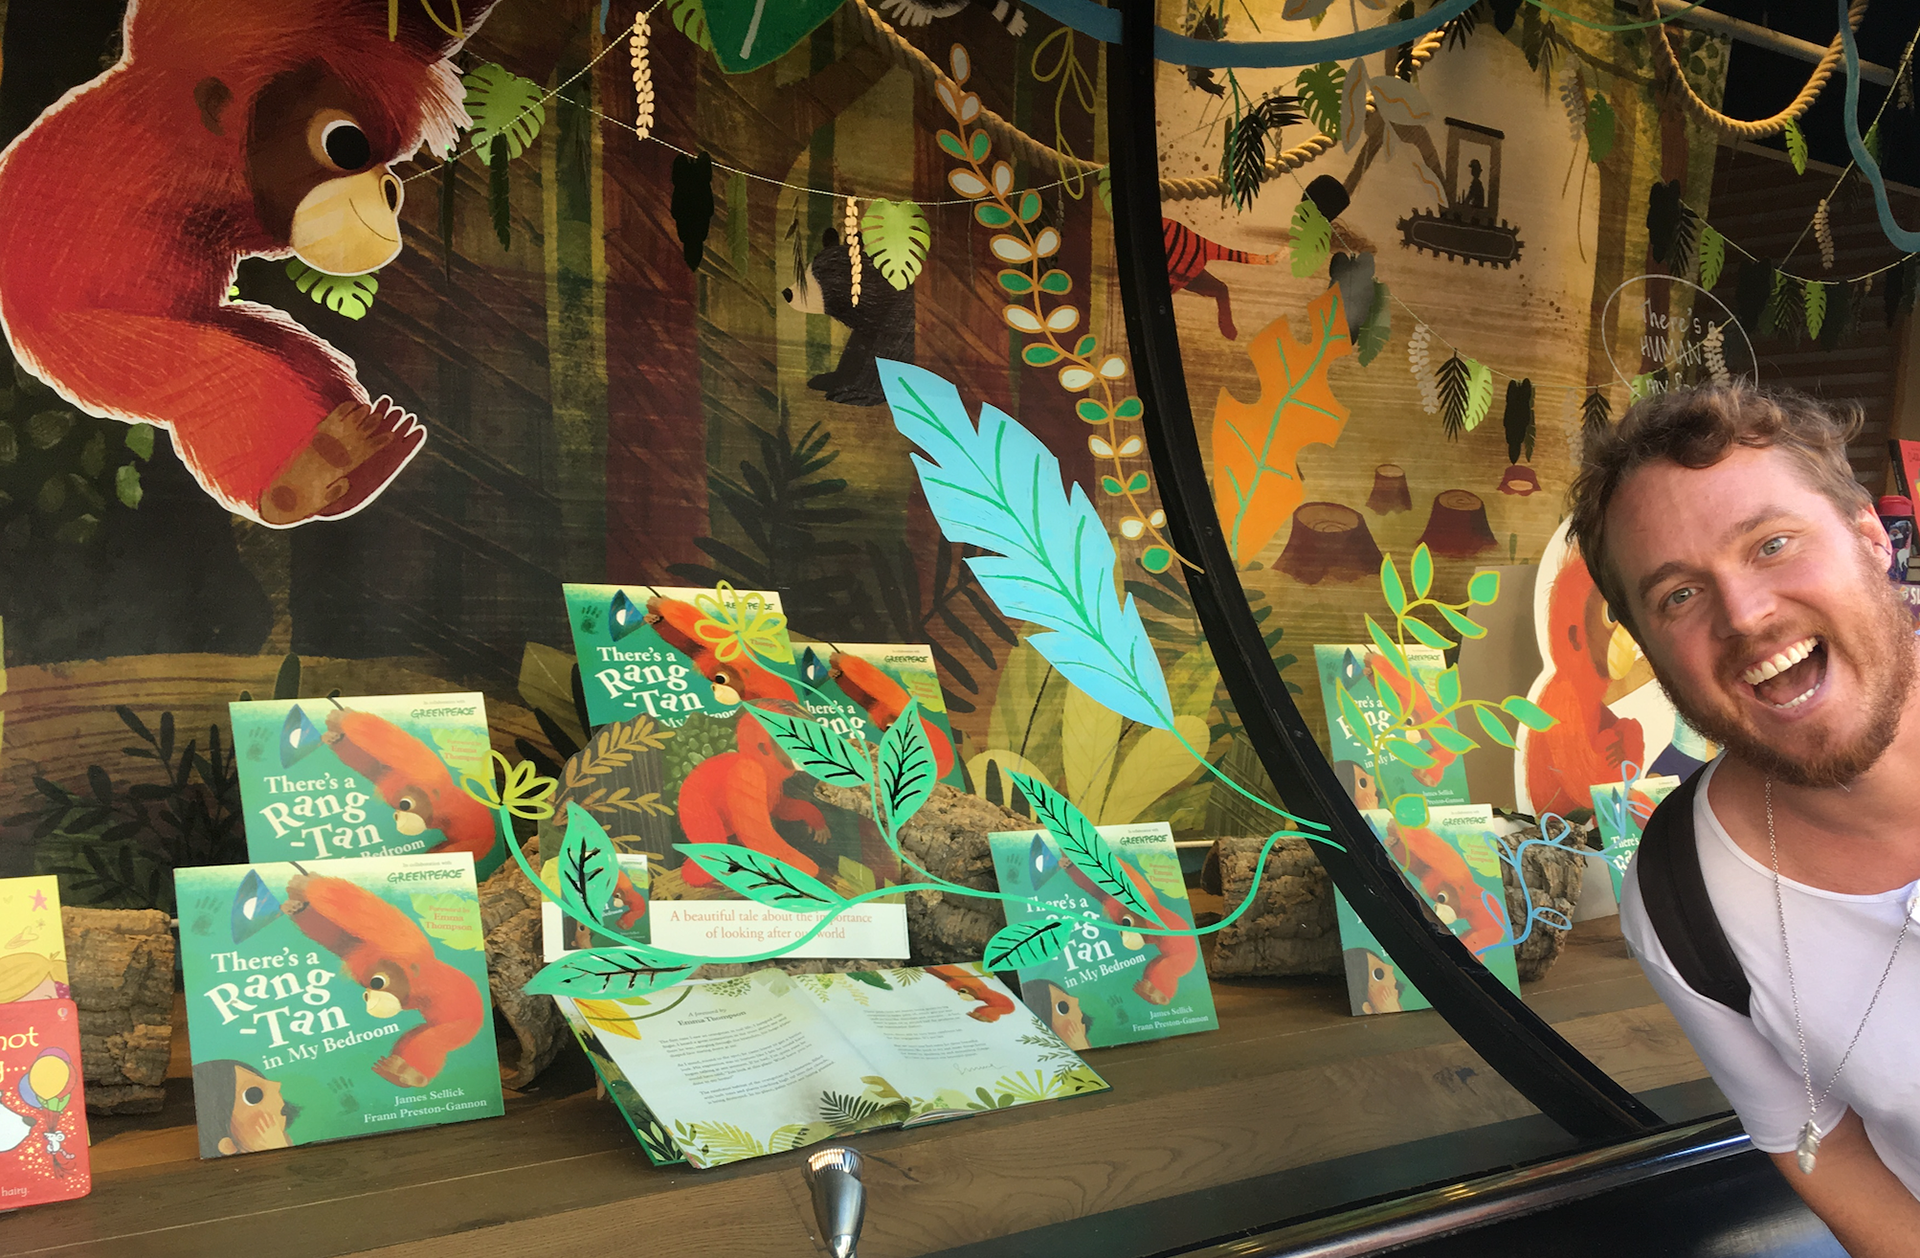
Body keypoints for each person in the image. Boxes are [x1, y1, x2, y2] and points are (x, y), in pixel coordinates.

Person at [1568, 381, 1920, 1256]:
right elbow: (1825, 1149)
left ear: (1871, 537)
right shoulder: (1684, 899)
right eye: (1679, 595)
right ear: (1650, 652)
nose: (1747, 615)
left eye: (1772, 544)